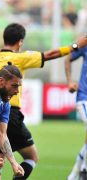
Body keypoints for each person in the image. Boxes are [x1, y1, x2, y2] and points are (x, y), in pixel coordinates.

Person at [0, 23, 87, 180]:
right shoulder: (19, 58)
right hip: (10, 114)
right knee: (31, 156)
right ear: (20, 42)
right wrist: (74, 46)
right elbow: (49, 55)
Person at [65, 45, 87, 180]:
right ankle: (84, 170)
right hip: (84, 98)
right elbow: (67, 59)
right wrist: (70, 81)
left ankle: (73, 176)